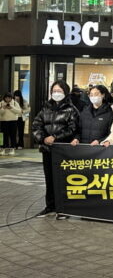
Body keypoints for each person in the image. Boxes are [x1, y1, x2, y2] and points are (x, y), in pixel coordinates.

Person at [32, 80, 79, 216]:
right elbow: (36, 126)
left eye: (59, 91)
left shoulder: (71, 110)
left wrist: (55, 137)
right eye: (54, 91)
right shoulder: (46, 108)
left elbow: (73, 128)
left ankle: (63, 208)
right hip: (47, 150)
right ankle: (50, 206)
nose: (56, 93)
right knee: (49, 179)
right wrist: (43, 138)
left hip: (63, 151)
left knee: (63, 180)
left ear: (65, 92)